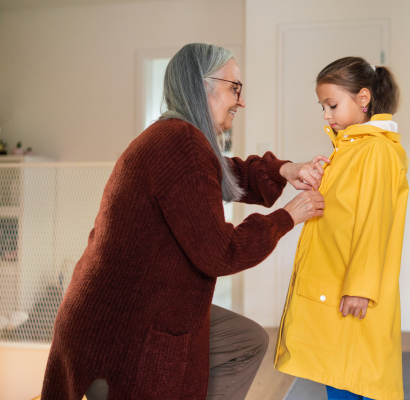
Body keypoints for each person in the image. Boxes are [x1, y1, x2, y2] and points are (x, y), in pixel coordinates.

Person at [41, 43, 328, 400]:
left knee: (248, 340)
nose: (241, 101)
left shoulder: (180, 139)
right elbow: (221, 253)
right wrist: (288, 216)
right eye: (233, 87)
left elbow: (225, 172)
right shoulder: (179, 142)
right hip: (121, 330)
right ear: (200, 86)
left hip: (130, 311)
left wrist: (285, 169)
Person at [274, 56, 409, 400]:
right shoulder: (350, 149)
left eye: (332, 105)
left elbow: (374, 221)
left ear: (363, 99)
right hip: (334, 279)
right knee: (341, 372)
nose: (325, 115)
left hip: (352, 287)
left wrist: (361, 286)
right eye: (323, 106)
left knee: (354, 374)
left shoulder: (376, 150)